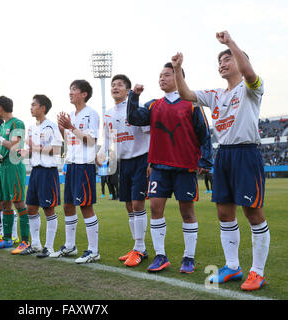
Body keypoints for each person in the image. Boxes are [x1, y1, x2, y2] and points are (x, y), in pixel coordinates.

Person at [172, 30, 270, 291]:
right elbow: (186, 95)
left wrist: (231, 43)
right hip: (223, 155)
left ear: (239, 61)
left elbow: (250, 74)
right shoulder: (216, 94)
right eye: (220, 61)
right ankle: (233, 266)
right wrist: (178, 69)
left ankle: (257, 272)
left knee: (253, 212)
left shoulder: (251, 87)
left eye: (228, 59)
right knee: (224, 213)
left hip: (246, 153)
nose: (222, 64)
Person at [127, 62, 213, 273]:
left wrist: (205, 160)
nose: (161, 78)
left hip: (185, 167)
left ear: (178, 78)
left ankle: (189, 258)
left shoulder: (192, 104)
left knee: (187, 212)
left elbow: (205, 133)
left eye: (166, 75)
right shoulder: (154, 104)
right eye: (160, 75)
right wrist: (134, 97)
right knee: (156, 209)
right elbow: (133, 118)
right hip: (159, 167)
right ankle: (160, 256)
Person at [98, 74, 150, 267]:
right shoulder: (109, 113)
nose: (115, 87)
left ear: (128, 91)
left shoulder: (137, 110)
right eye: (113, 85)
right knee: (129, 205)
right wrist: (102, 154)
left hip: (140, 160)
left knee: (138, 204)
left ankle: (140, 248)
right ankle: (137, 246)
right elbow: (107, 138)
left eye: (119, 85)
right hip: (123, 162)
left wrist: (151, 161)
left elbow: (149, 134)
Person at [52, 79, 101, 264]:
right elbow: (69, 139)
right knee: (68, 205)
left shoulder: (91, 114)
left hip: (84, 165)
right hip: (71, 164)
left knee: (86, 206)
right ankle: (70, 246)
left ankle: (94, 250)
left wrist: (71, 127)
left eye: (74, 89)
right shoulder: (71, 114)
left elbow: (90, 141)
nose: (70, 92)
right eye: (70, 89)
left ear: (84, 94)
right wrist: (62, 128)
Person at [19, 94, 63, 258]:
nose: (31, 107)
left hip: (48, 171)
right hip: (35, 171)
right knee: (30, 208)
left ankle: (49, 247)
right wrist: (24, 152)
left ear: (42, 108)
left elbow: (57, 149)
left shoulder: (52, 126)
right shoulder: (32, 128)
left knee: (48, 208)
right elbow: (32, 149)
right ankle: (36, 244)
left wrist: (35, 147)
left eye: (34, 105)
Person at [0, 95, 30, 253]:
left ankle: (25, 241)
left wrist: (0, 137)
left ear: (1, 107)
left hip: (14, 165)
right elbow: (2, 147)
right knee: (4, 203)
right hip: (4, 166)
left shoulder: (17, 123)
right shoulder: (3, 126)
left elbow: (14, 145)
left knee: (19, 202)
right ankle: (7, 239)